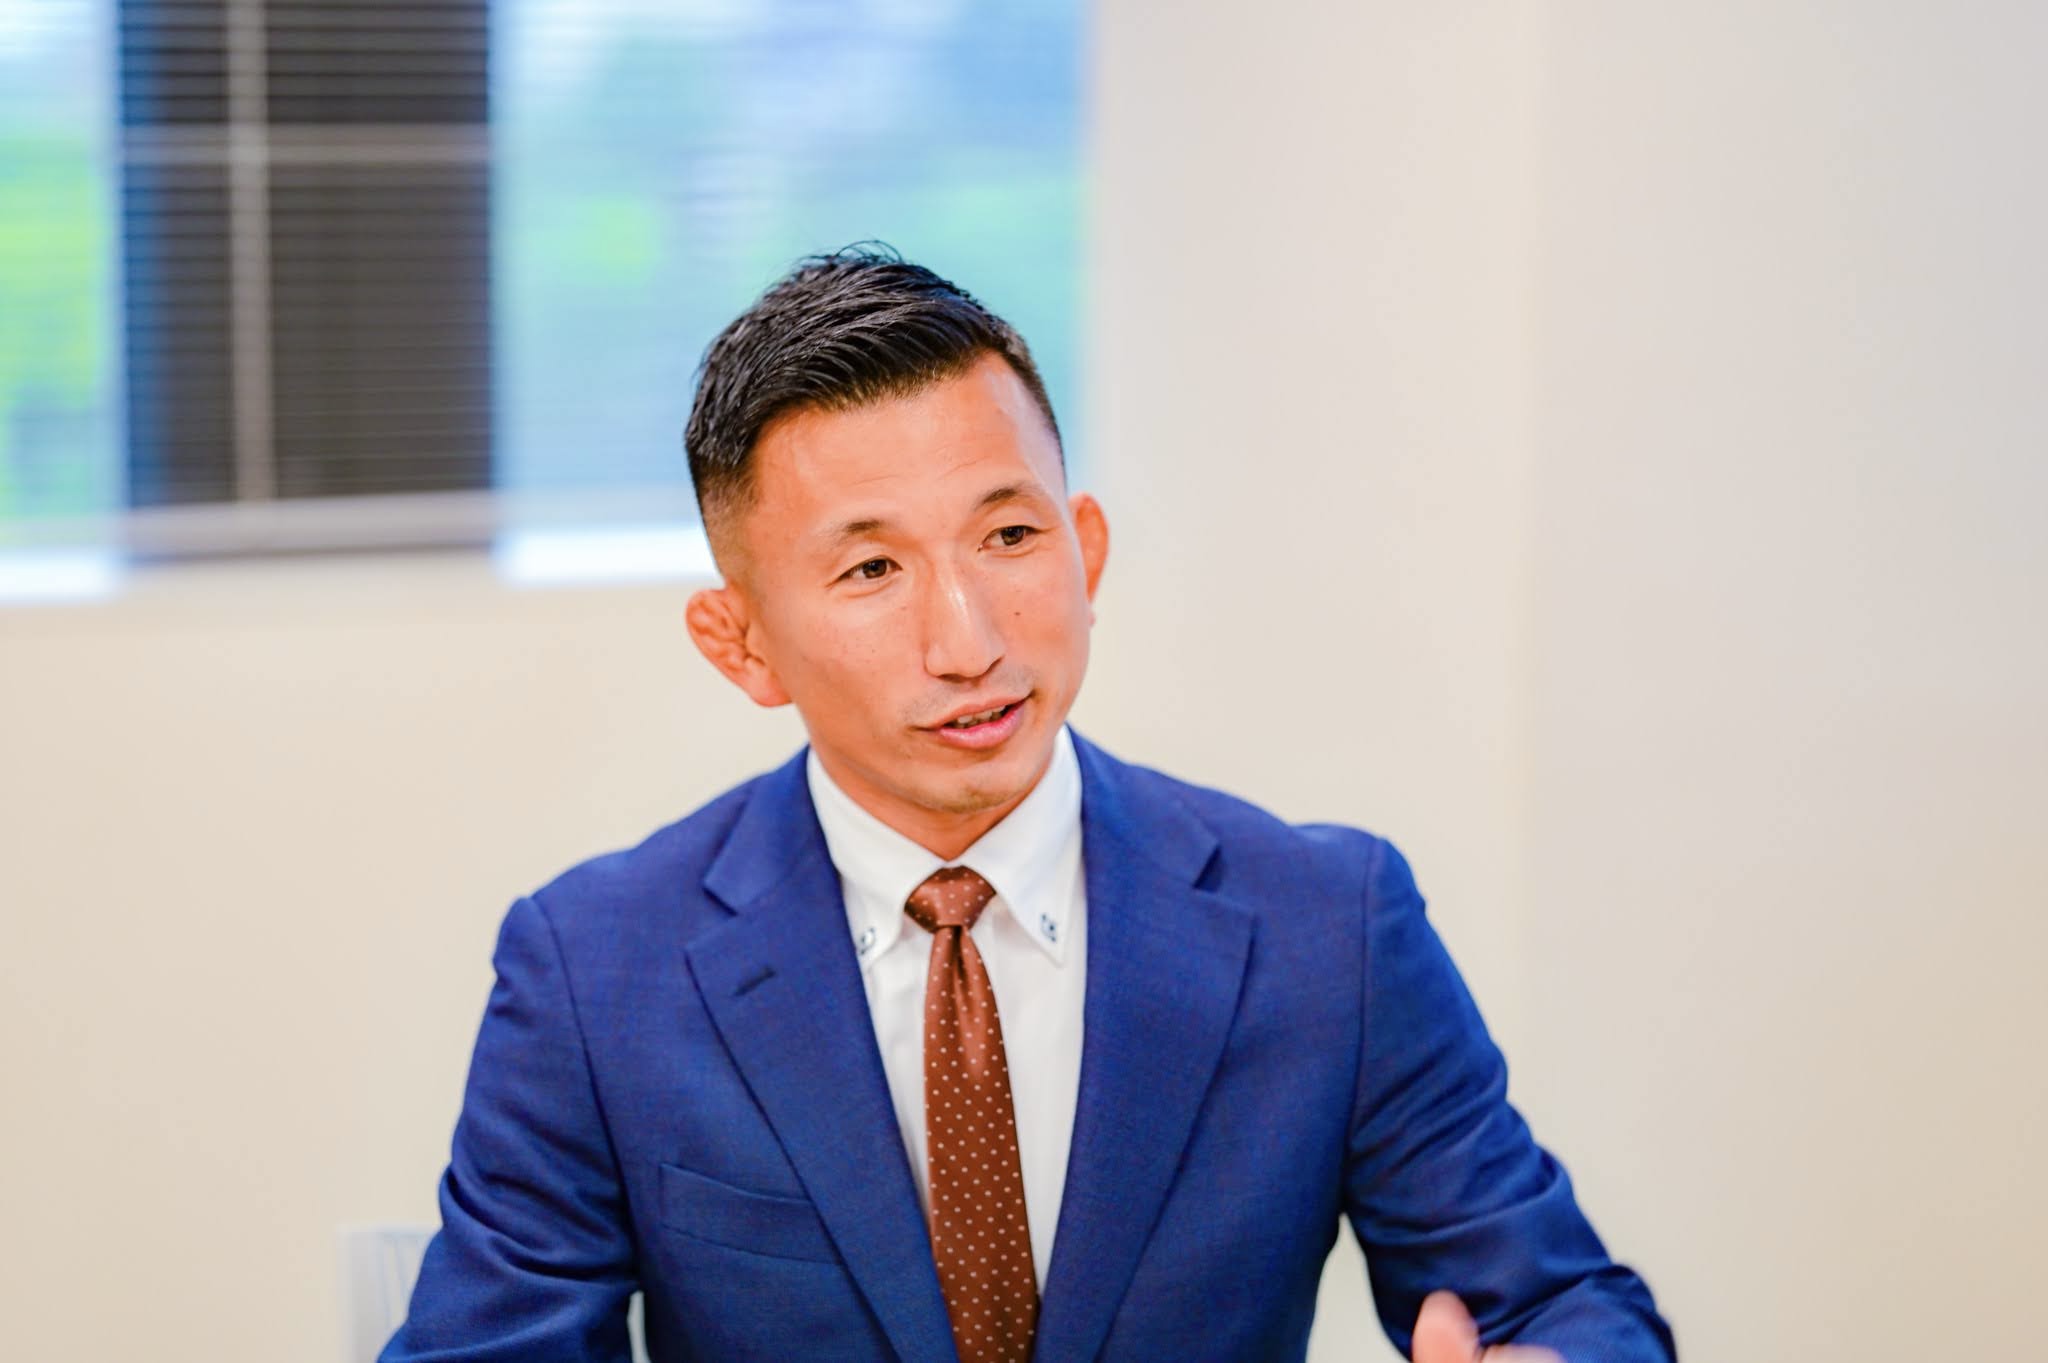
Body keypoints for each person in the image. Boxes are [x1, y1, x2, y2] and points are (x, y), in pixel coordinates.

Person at [381, 246, 1676, 1363]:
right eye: (873, 568)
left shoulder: (1329, 925)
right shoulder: (594, 971)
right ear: (744, 644)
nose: (971, 642)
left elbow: (1564, 1300)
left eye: (1010, 537)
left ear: (1086, 550)